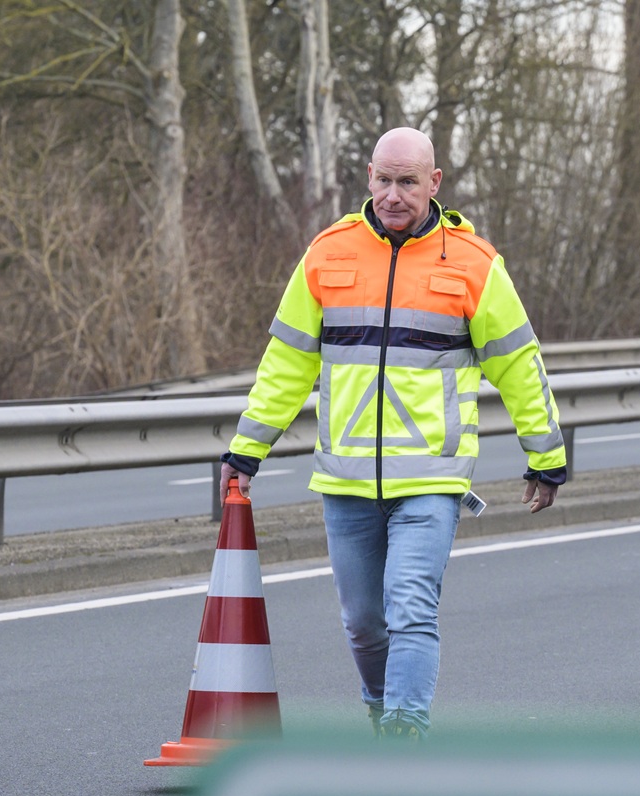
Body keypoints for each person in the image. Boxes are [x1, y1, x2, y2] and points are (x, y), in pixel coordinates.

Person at [220, 127, 566, 739]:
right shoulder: (328, 254)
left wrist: (545, 453)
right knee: (363, 623)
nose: (393, 195)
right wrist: (248, 447)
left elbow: (518, 363)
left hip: (431, 477)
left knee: (410, 607)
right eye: (384, 180)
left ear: (434, 183)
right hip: (346, 479)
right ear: (369, 178)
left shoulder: (473, 263)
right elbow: (287, 363)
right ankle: (385, 717)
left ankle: (407, 733)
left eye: (408, 182)